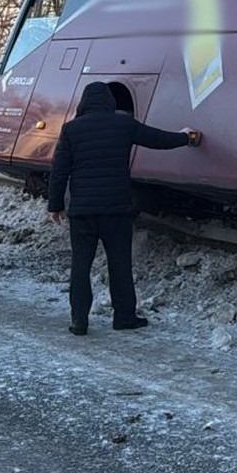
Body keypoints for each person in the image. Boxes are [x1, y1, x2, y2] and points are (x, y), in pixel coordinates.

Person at [48, 81, 201, 335]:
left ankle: (79, 320)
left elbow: (59, 170)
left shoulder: (71, 129)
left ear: (84, 103)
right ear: (109, 102)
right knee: (119, 264)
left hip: (83, 212)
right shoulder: (123, 124)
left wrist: (55, 204)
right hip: (116, 210)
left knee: (81, 266)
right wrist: (185, 137)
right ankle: (124, 317)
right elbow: (157, 139)